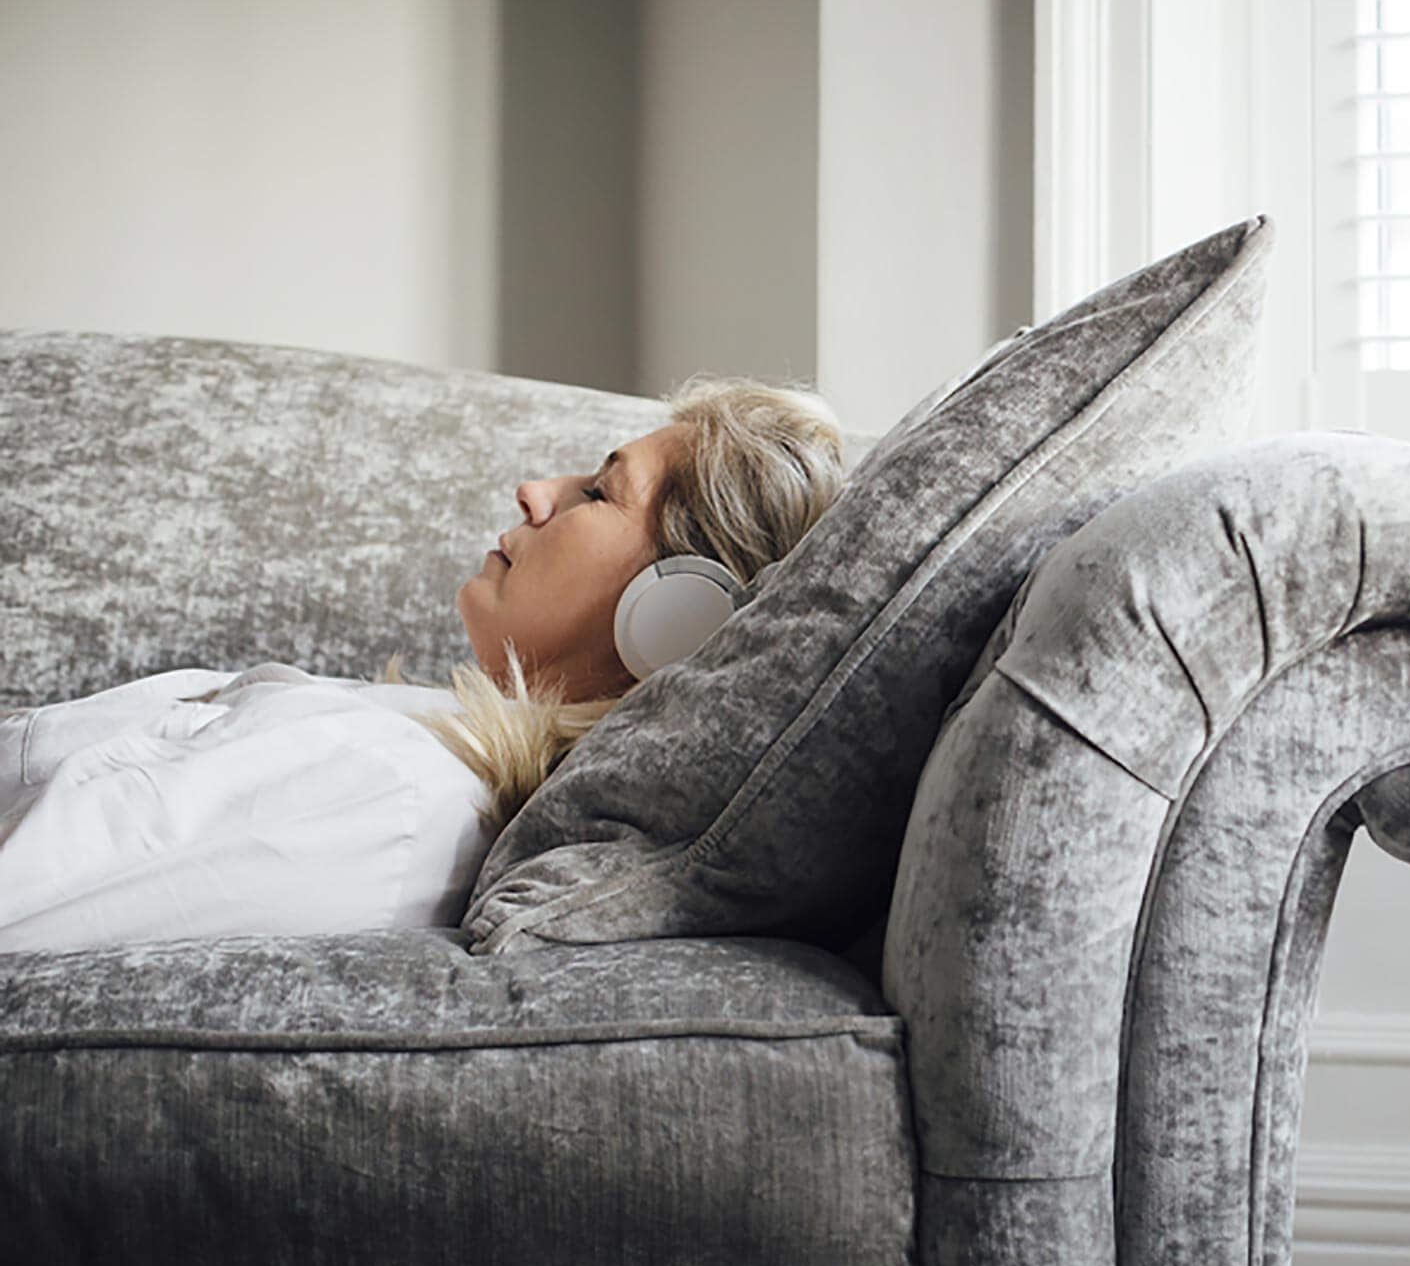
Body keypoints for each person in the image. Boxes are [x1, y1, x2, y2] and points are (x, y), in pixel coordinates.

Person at [0, 373, 846, 953]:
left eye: (597, 492)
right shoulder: (401, 758)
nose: (534, 491)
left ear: (679, 615)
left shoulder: (389, 793)